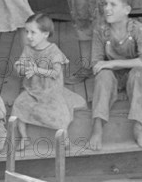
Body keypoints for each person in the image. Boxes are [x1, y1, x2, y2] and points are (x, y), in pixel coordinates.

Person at [88, 0, 142, 151]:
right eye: (105, 4)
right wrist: (106, 67)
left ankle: (138, 128)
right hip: (111, 78)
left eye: (113, 4)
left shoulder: (138, 29)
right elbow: (96, 63)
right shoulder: (100, 30)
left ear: (126, 10)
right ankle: (97, 128)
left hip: (133, 74)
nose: (106, 8)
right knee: (103, 75)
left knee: (139, 74)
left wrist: (111, 63)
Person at [12, 13, 86, 150]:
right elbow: (20, 65)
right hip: (33, 90)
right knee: (18, 105)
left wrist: (37, 71)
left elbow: (56, 72)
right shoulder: (28, 49)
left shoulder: (53, 51)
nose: (28, 36)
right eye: (27, 32)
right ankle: (24, 137)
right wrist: (21, 68)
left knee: (60, 112)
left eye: (33, 32)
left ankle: (65, 137)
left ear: (45, 34)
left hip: (51, 90)